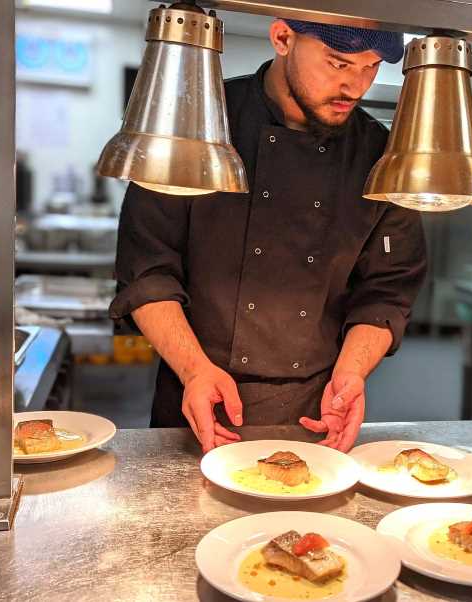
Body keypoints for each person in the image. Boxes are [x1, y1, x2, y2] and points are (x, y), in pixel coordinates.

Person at [110, 19, 427, 453]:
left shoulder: (382, 155)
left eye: (370, 67)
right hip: (198, 397)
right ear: (282, 37)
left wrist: (351, 373)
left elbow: (387, 291)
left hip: (317, 410)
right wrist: (195, 371)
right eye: (339, 63)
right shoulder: (196, 127)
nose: (354, 86)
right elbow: (146, 272)